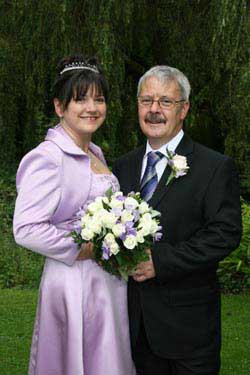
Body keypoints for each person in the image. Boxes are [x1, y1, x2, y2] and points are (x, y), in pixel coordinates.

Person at [113, 65, 242, 375]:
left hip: (189, 331)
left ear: (184, 109)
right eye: (146, 101)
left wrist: (162, 261)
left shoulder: (214, 166)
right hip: (133, 327)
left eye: (165, 102)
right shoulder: (122, 166)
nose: (154, 110)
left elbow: (224, 233)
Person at [13, 55, 135, 375]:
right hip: (73, 282)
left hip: (106, 282)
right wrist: (83, 247)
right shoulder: (47, 157)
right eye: (80, 99)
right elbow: (26, 228)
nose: (91, 107)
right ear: (59, 106)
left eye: (99, 99)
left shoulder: (95, 152)